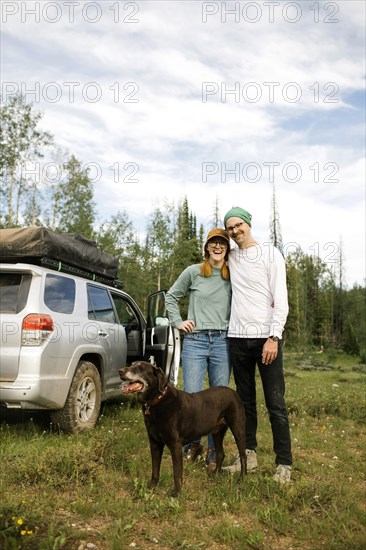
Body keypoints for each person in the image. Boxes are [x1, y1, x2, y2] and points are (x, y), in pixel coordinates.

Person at [223, 206, 292, 483]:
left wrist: (274, 337)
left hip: (266, 339)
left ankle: (284, 463)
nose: (235, 231)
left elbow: (281, 299)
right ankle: (247, 456)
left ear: (248, 224)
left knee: (275, 402)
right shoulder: (231, 256)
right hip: (237, 339)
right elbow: (211, 251)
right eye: (230, 228)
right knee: (244, 403)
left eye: (239, 225)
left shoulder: (270, 253)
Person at [165, 228, 231, 473]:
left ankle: (215, 449)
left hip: (224, 342)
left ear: (227, 248)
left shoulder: (231, 275)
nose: (217, 247)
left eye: (222, 243)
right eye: (213, 243)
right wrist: (178, 321)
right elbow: (171, 297)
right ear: (207, 247)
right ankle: (193, 444)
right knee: (191, 396)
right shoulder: (193, 272)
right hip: (195, 340)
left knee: (217, 401)